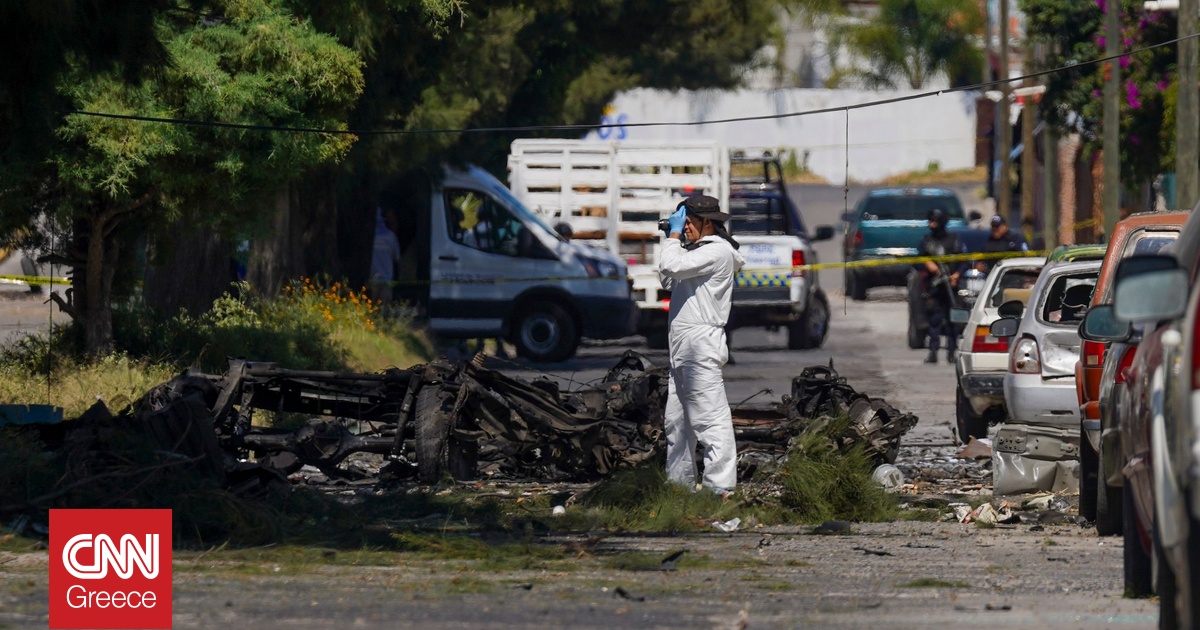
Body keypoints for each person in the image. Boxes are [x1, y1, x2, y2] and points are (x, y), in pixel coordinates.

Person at [658, 194, 746, 495]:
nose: (684, 228)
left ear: (707, 222)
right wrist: (674, 240)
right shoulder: (694, 252)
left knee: (710, 420)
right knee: (677, 424)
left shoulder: (717, 252)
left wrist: (672, 237)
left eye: (688, 222)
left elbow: (672, 267)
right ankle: (679, 487)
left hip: (699, 345)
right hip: (682, 346)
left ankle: (720, 488)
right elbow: (667, 279)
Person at [917, 207, 968, 364]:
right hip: (934, 287)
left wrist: (957, 275)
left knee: (953, 320)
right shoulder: (927, 241)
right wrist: (928, 264)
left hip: (951, 287)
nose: (931, 224)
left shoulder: (954, 240)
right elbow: (917, 260)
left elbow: (964, 260)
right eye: (930, 221)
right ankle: (933, 351)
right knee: (934, 320)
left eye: (934, 221)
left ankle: (951, 352)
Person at [369, 207, 402, 304]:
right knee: (385, 313)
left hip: (372, 280)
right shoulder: (391, 237)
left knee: (372, 312)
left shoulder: (369, 237)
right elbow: (397, 260)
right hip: (386, 280)